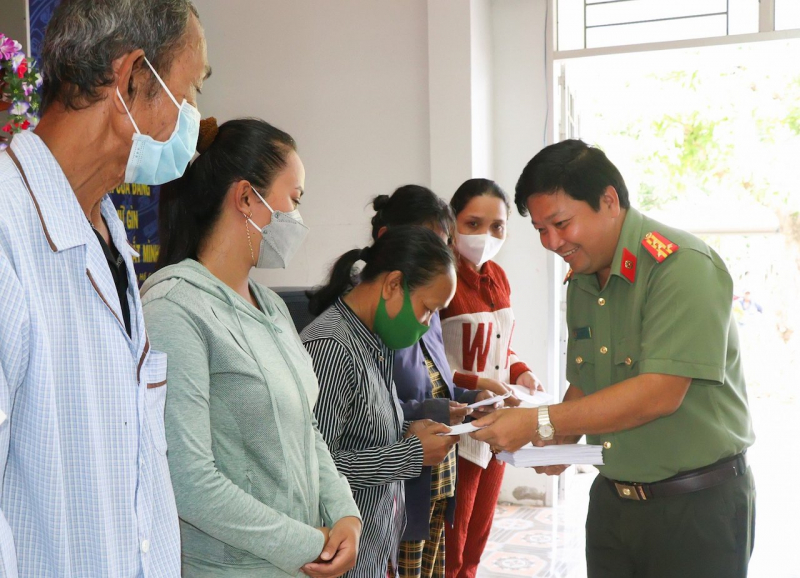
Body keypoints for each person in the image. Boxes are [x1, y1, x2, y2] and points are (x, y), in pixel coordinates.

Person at [473, 139, 756, 578]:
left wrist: (539, 422)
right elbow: (586, 380)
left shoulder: (680, 267)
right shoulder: (584, 281)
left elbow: (659, 393)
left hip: (695, 509)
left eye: (561, 224)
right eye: (541, 231)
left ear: (608, 200)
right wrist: (559, 443)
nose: (552, 242)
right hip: (613, 504)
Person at [0, 1, 210, 574]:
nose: (190, 119)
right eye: (187, 93)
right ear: (134, 79)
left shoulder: (106, 232)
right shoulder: (8, 229)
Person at [140, 117, 362, 578]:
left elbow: (305, 426)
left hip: (296, 562)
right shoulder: (174, 307)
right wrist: (307, 543)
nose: (297, 218)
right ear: (246, 198)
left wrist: (344, 512)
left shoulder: (273, 307)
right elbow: (189, 481)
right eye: (294, 199)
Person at [302, 226, 461, 578]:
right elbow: (316, 471)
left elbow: (361, 429)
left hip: (370, 552)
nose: (427, 323)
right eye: (427, 309)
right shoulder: (332, 348)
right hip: (339, 557)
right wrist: (413, 454)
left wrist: (408, 429)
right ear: (393, 284)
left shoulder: (374, 340)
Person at [368, 186, 500, 578]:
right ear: (388, 239)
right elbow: (373, 409)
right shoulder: (371, 312)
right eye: (427, 243)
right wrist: (439, 409)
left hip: (439, 472)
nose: (436, 257)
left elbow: (436, 382)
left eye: (442, 245)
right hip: (400, 476)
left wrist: (474, 396)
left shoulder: (428, 304)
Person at [440, 178, 541, 578]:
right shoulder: (441, 278)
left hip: (496, 425)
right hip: (456, 425)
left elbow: (500, 346)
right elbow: (424, 360)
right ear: (452, 223)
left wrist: (522, 372)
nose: (485, 235)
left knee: (478, 536)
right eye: (473, 223)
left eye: (497, 226)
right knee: (451, 538)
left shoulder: (497, 275)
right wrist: (477, 382)